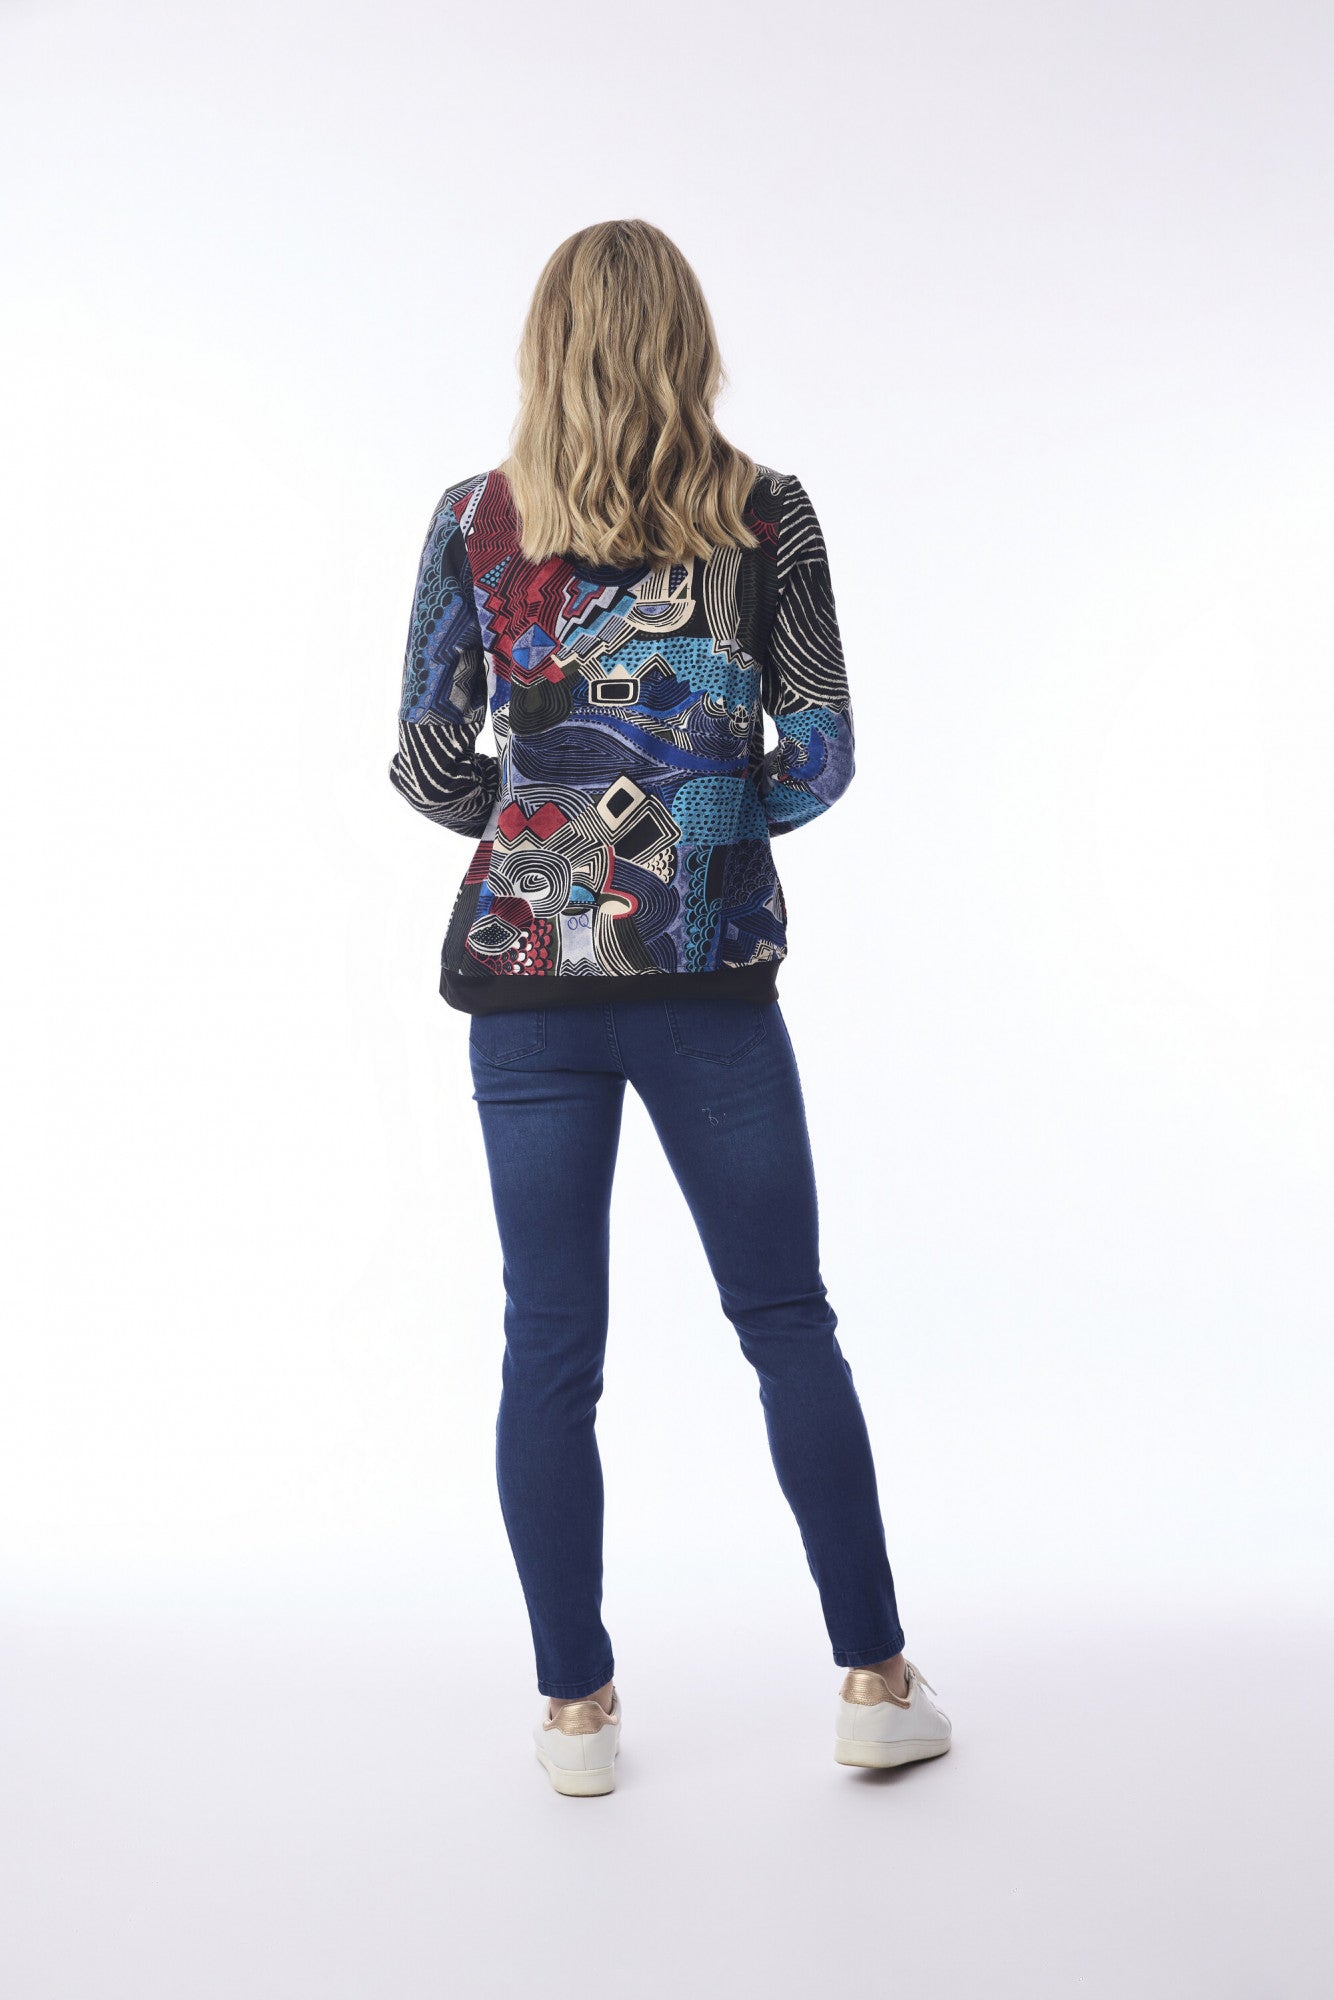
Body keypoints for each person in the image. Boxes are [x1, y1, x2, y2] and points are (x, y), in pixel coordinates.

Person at [389, 218, 951, 1796]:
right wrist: (698, 829)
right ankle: (873, 1683)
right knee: (784, 1321)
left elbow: (427, 761)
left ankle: (574, 1715)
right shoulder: (765, 513)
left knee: (547, 1346)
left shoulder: (474, 521)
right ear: (690, 342)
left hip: (524, 983)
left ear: (542, 345)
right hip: (709, 986)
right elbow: (821, 756)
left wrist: (543, 828)